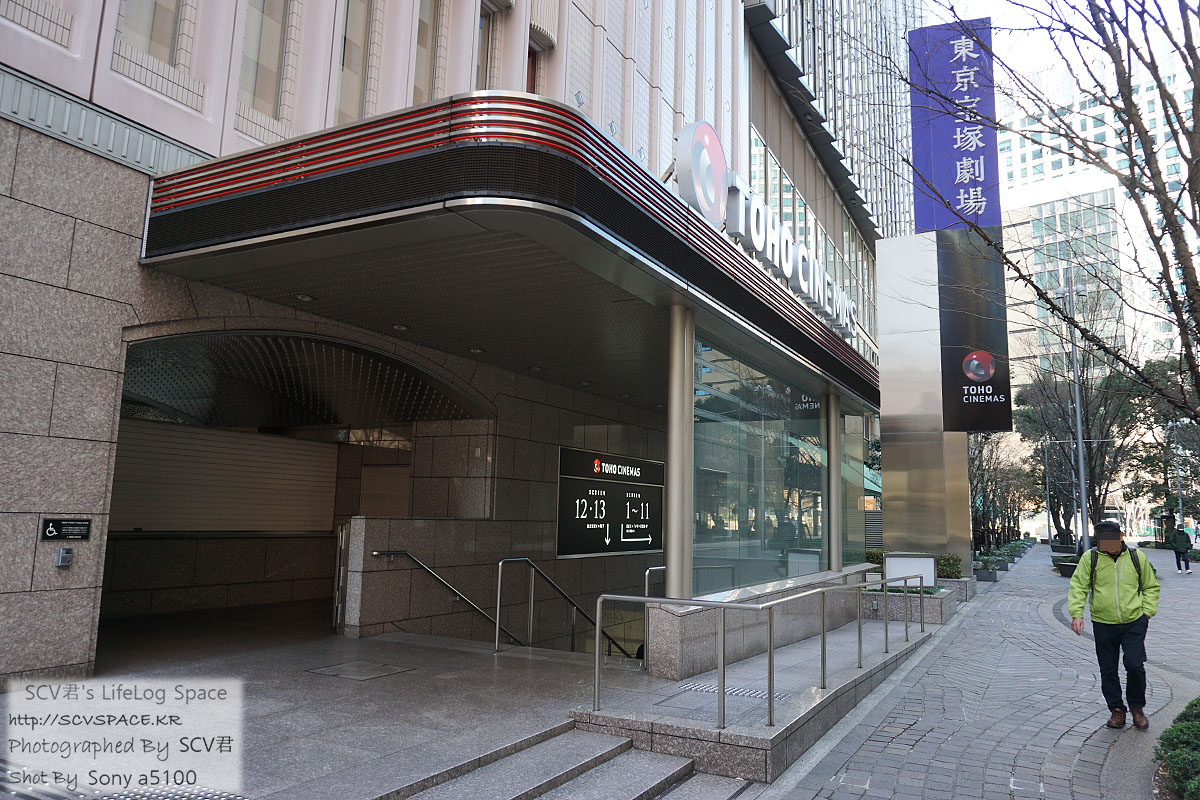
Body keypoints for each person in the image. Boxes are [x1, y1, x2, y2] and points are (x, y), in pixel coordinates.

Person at [1068, 520, 1160, 730]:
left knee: (1134, 665)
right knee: (1108, 669)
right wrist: (1077, 614)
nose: (1107, 545)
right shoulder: (1091, 558)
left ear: (1121, 536)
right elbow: (1079, 586)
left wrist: (1146, 613)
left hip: (1134, 621)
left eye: (1111, 540)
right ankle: (1117, 710)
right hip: (1103, 622)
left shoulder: (1136, 557)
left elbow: (1151, 586)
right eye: (1103, 541)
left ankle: (1137, 707)